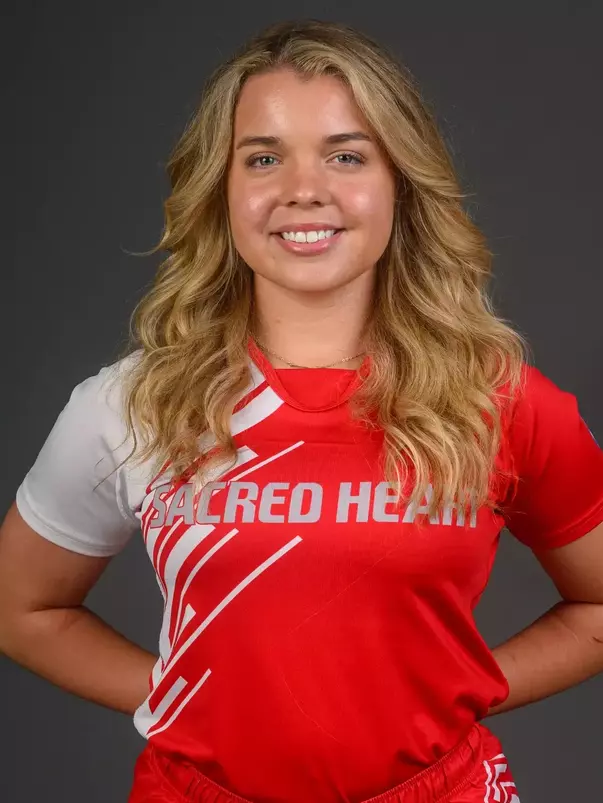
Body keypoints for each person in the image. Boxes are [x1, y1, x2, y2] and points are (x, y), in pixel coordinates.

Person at [1, 18, 603, 803]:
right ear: (222, 189)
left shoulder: (500, 401)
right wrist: (182, 694)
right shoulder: (130, 403)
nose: (302, 189)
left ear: (400, 182)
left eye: (346, 155)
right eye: (263, 157)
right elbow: (21, 607)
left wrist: (465, 685)